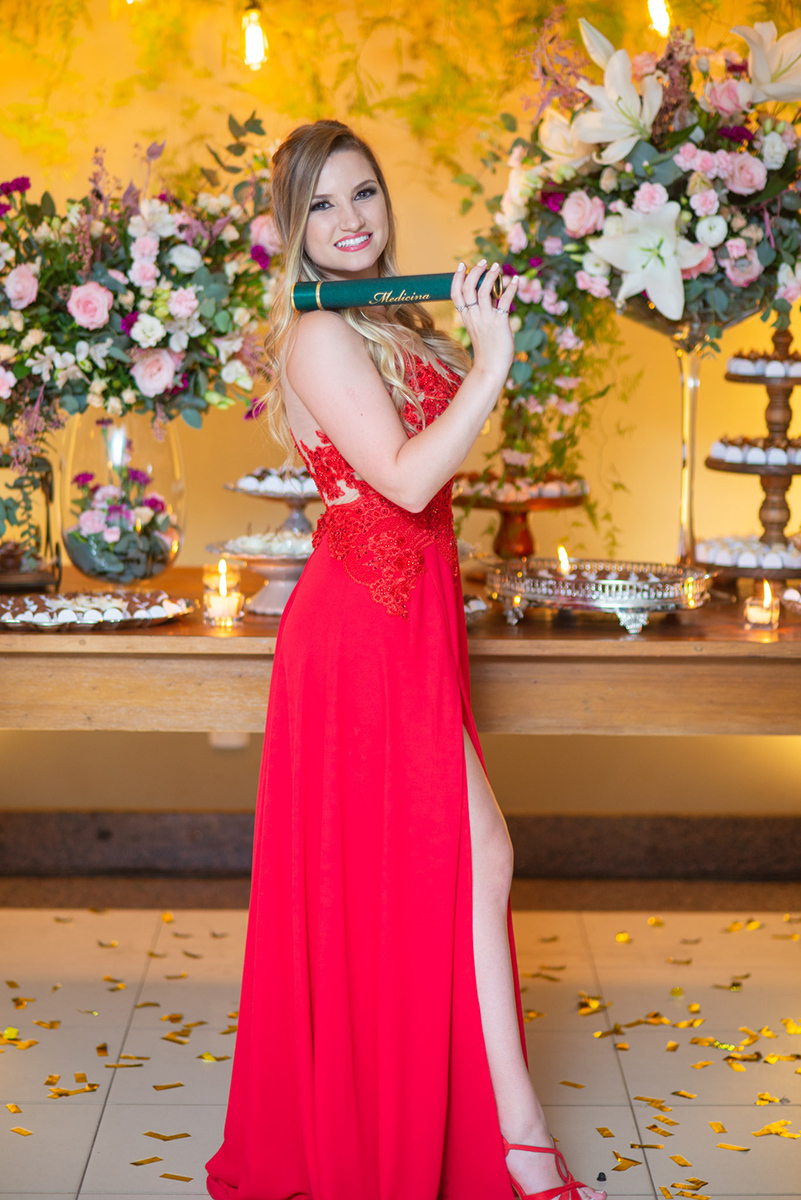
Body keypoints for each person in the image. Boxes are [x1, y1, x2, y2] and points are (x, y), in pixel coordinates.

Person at [205, 119, 606, 1200]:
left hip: (413, 616)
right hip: (362, 630)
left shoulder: (384, 315)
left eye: (365, 193)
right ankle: (511, 1135)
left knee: (445, 871)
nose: (351, 220)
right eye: (323, 205)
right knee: (478, 856)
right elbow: (410, 481)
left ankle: (485, 1125)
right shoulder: (317, 331)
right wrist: (493, 366)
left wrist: (476, 348)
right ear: (290, 228)